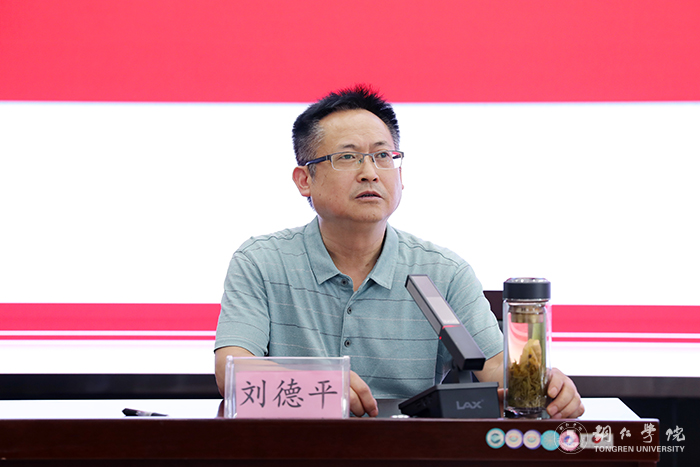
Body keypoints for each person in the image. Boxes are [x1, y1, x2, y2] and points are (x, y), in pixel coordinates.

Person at [214, 84, 584, 419]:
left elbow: (495, 366)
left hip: (409, 452)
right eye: (348, 157)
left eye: (382, 156)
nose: (370, 173)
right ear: (304, 180)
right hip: (296, 450)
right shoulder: (261, 261)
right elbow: (231, 372)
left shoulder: (443, 271)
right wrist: (319, 387)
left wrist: (546, 385)